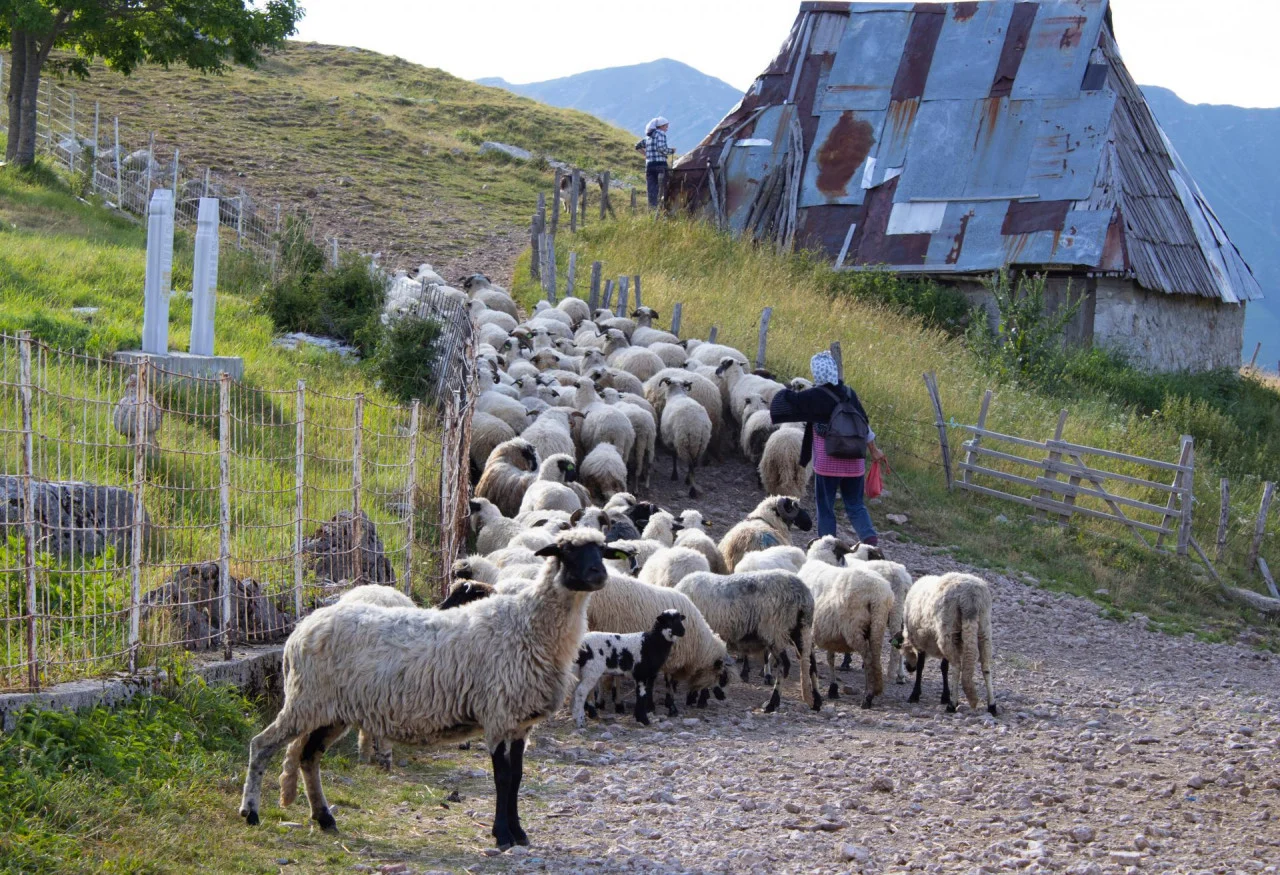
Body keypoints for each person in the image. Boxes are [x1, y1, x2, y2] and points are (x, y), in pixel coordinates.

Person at [768, 351, 887, 545]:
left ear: (816, 373)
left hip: (828, 462)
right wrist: (874, 450)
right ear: (833, 370)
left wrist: (784, 390)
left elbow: (785, 402)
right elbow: (864, 424)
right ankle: (871, 543)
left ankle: (827, 545)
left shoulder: (813, 395)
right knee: (856, 505)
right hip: (855, 462)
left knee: (825, 506)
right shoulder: (849, 393)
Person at [635, 116, 675, 209]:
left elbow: (637, 146)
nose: (667, 129)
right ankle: (663, 208)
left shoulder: (648, 137)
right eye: (666, 126)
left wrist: (646, 155)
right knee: (663, 187)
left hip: (649, 165)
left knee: (651, 188)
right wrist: (671, 151)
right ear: (661, 126)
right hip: (660, 165)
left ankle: (652, 208)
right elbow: (661, 148)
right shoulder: (660, 134)